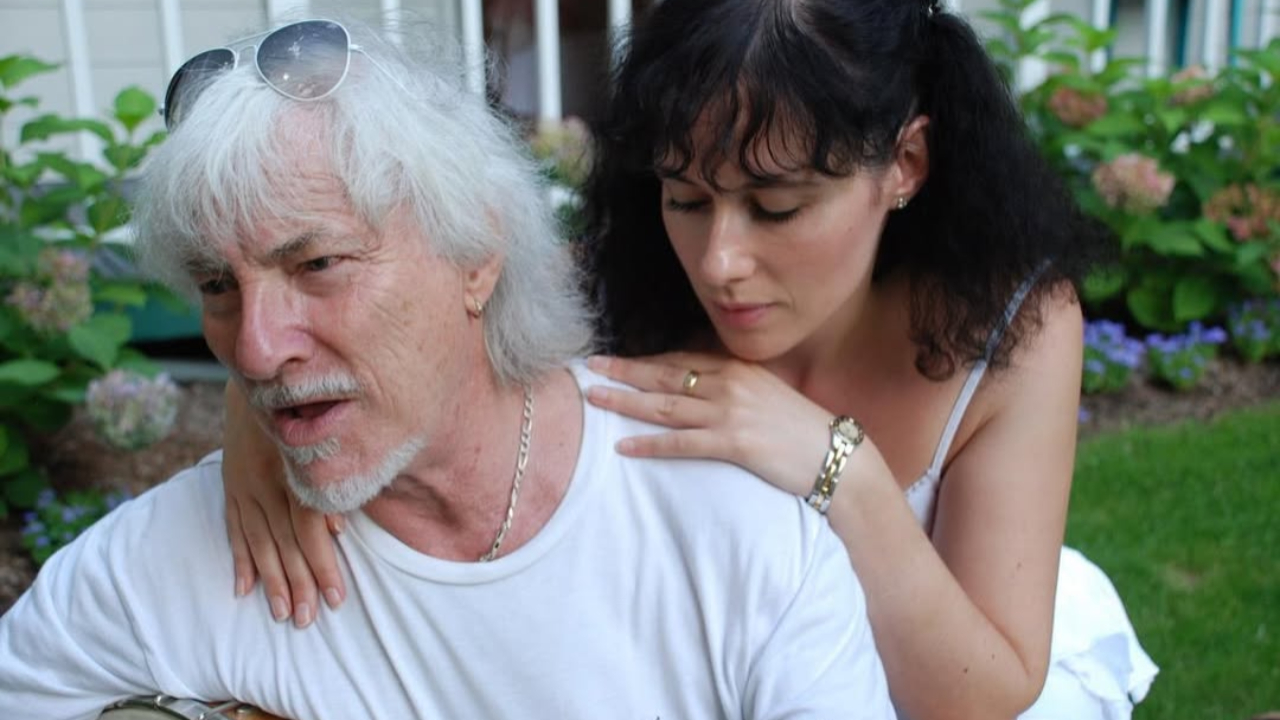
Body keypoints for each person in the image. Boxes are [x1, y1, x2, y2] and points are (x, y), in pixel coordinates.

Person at [218, 1, 1161, 719]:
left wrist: (846, 472)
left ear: (905, 164)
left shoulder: (1011, 333)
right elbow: (412, 332)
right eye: (685, 197)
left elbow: (981, 697)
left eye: (778, 208)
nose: (719, 262)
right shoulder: (616, 288)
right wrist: (259, 421)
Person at [0, 19, 897, 720]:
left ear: (478, 257)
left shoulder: (730, 532)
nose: (255, 349)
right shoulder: (161, 570)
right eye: (216, 285)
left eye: (319, 266)